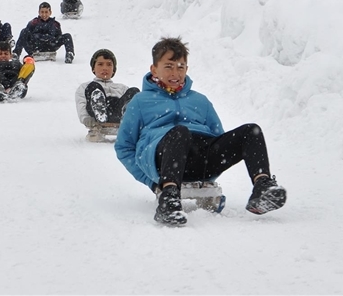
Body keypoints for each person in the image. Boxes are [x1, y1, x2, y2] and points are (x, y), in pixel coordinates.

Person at [115, 37, 287, 226]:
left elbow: (218, 137)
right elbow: (124, 148)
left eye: (181, 67)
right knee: (179, 132)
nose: (175, 73)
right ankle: (169, 199)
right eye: (169, 66)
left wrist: (210, 175)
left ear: (187, 69)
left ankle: (262, 187)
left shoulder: (201, 101)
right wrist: (152, 182)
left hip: (201, 162)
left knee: (251, 131)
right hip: (163, 161)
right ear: (154, 69)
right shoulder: (140, 102)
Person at [76, 49, 140, 140]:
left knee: (134, 91)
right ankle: (99, 108)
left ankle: (128, 115)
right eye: (100, 64)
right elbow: (81, 103)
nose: (105, 68)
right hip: (96, 115)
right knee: (94, 87)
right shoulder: (86, 87)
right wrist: (85, 118)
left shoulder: (122, 88)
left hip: (119, 113)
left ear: (114, 69)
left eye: (109, 65)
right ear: (93, 68)